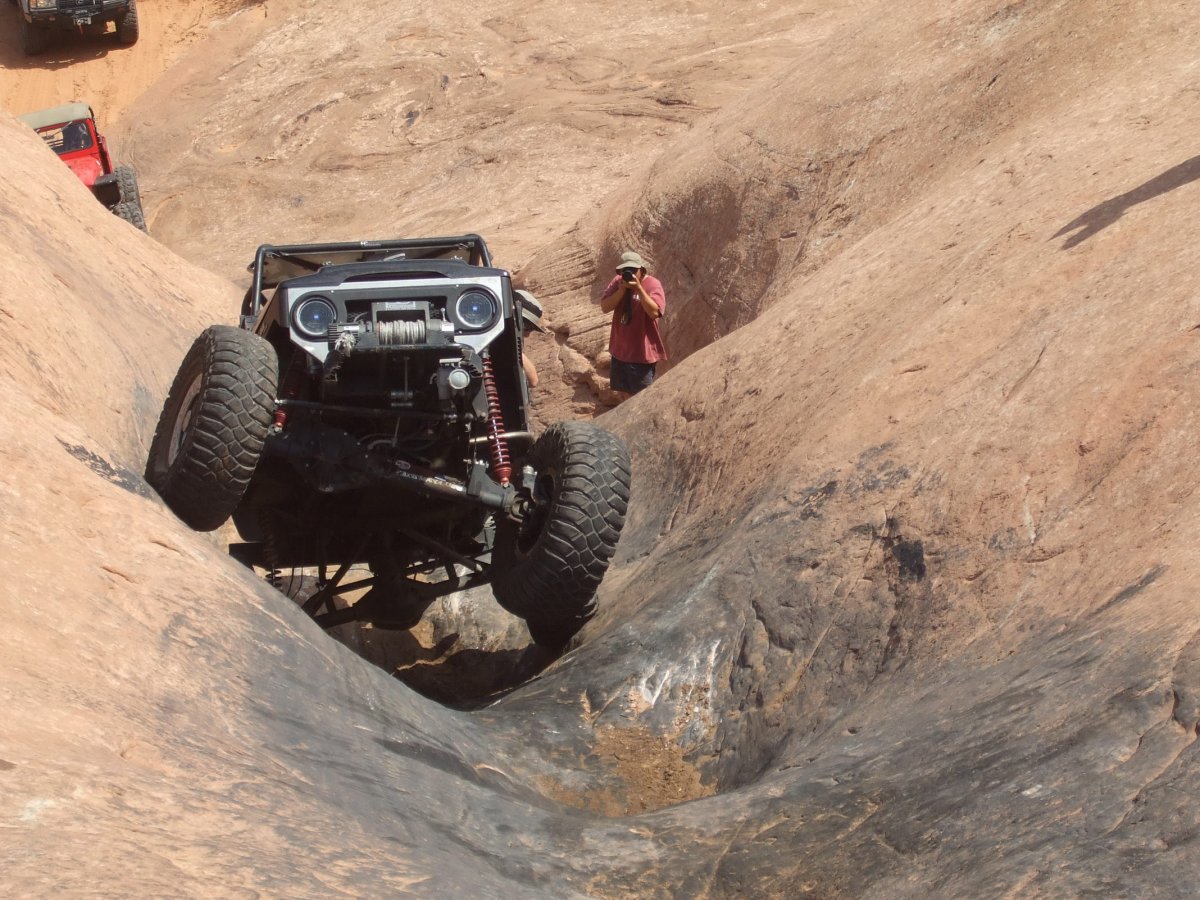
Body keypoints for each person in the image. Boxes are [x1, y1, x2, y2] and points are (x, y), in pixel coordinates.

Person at [598, 250, 667, 400]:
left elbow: (655, 312)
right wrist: (622, 290)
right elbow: (605, 307)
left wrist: (639, 289)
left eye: (633, 270)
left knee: (641, 399)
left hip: (641, 354)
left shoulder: (653, 284)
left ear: (641, 270)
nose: (628, 274)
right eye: (624, 270)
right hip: (620, 352)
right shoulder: (618, 282)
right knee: (623, 395)